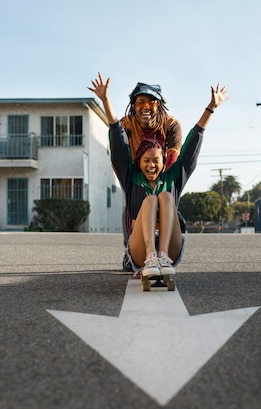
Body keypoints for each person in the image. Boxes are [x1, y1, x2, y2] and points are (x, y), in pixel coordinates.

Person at [88, 73, 228, 285]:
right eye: (146, 160)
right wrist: (105, 100)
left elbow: (192, 142)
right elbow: (117, 140)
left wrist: (211, 108)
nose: (151, 165)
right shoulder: (131, 176)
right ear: (138, 161)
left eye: (156, 161)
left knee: (163, 197)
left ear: (164, 161)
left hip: (170, 248)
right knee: (150, 200)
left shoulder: (173, 175)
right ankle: (148, 258)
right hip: (140, 248)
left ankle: (161, 256)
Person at [118, 81, 182, 271]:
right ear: (133, 105)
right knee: (132, 206)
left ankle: (163, 251)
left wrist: (160, 184)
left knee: (165, 201)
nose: (146, 106)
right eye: (140, 102)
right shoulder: (126, 124)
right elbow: (121, 156)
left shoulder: (171, 124)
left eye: (152, 102)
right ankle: (130, 251)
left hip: (162, 172)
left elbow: (173, 156)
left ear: (159, 104)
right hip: (136, 172)